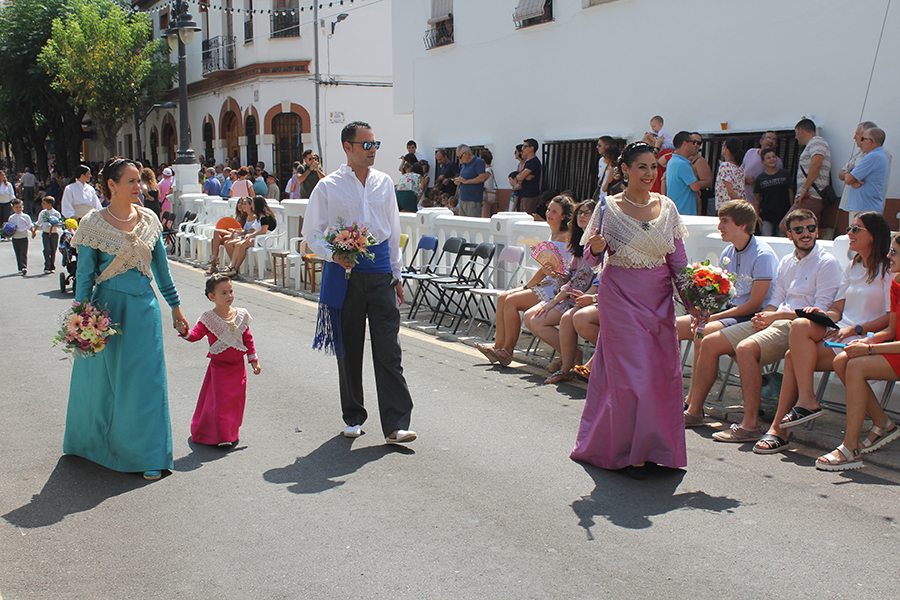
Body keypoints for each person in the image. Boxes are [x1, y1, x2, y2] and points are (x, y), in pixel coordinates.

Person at [571, 142, 694, 479]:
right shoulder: (608, 208)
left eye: (654, 167)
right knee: (632, 374)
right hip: (620, 297)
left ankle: (658, 449)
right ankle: (631, 452)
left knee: (659, 373)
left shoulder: (667, 206)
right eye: (642, 167)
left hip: (658, 299)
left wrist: (696, 302)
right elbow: (591, 258)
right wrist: (596, 248)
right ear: (625, 170)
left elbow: (679, 261)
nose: (650, 173)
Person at [64, 157, 188, 481]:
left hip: (144, 312)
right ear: (112, 185)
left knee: (146, 382)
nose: (140, 187)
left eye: (139, 180)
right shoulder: (92, 223)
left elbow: (162, 270)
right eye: (131, 181)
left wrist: (175, 307)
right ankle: (92, 443)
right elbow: (84, 276)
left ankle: (150, 455)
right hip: (106, 312)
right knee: (105, 383)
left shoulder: (150, 220)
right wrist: (80, 318)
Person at [302, 120, 416, 444]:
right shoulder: (328, 186)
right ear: (347, 147)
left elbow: (392, 232)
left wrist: (397, 274)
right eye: (366, 145)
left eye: (375, 144)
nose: (372, 150)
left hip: (380, 275)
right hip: (345, 277)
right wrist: (333, 254)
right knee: (349, 350)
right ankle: (353, 416)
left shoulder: (384, 182)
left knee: (389, 350)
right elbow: (312, 233)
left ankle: (396, 424)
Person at [761, 212, 891, 449]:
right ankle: (805, 402)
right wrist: (821, 316)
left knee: (791, 358)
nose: (849, 234)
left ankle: (780, 429)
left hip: (866, 336)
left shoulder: (887, 270)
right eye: (849, 229)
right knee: (801, 324)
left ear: (873, 235)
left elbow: (890, 319)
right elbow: (837, 310)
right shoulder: (853, 266)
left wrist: (855, 328)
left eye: (856, 229)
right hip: (843, 332)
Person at [679, 200, 778, 422]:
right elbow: (723, 293)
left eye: (724, 221)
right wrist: (705, 310)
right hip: (730, 312)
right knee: (671, 327)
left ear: (742, 225)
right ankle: (668, 392)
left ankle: (692, 404)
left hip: (750, 317)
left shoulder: (763, 254)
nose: (719, 227)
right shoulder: (728, 250)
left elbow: (754, 305)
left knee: (701, 333)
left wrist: (712, 317)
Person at [818, 233, 900, 470]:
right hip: (893, 348)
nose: (888, 255)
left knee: (854, 365)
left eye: (894, 252)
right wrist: (865, 342)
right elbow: (892, 329)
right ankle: (882, 422)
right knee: (843, 360)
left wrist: (870, 348)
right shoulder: (896, 281)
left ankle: (850, 448)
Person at [474, 196, 573, 367]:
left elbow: (549, 270)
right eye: (548, 209)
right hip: (547, 283)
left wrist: (527, 286)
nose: (549, 213)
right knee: (503, 297)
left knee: (511, 300)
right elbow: (544, 269)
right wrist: (526, 286)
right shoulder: (554, 234)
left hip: (555, 288)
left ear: (563, 216)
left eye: (554, 211)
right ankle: (499, 347)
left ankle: (507, 351)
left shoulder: (564, 238)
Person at [178, 274, 260, 447]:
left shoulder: (241, 315)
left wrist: (253, 360)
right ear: (212, 296)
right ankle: (223, 436)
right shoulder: (208, 318)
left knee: (235, 401)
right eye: (223, 293)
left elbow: (247, 338)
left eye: (231, 291)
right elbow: (195, 335)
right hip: (219, 368)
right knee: (221, 402)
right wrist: (185, 331)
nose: (229, 295)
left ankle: (231, 431)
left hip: (238, 368)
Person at [523, 200, 598, 384]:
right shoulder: (578, 241)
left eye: (587, 213)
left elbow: (585, 280)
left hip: (587, 296)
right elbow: (570, 277)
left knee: (546, 319)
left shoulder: (596, 243)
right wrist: (554, 273)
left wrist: (555, 300)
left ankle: (569, 363)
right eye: (580, 212)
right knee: (529, 316)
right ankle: (569, 360)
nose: (582, 216)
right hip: (572, 294)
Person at [220, 196, 276, 278]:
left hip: (264, 239)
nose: (252, 205)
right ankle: (232, 265)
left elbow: (263, 231)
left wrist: (251, 236)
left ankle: (236, 268)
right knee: (238, 244)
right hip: (257, 237)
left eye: (252, 203)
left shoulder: (265, 216)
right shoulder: (259, 216)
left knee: (243, 245)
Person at [790, 118, 831, 221]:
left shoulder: (816, 141)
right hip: (812, 195)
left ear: (801, 130)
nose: (796, 137)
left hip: (811, 195)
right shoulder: (814, 143)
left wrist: (804, 189)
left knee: (786, 225)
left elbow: (817, 164)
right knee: (808, 225)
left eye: (796, 133)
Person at [844, 127, 890, 218]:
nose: (861, 142)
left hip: (863, 209)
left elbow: (849, 180)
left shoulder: (872, 156)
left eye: (863, 139)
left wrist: (847, 173)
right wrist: (853, 179)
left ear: (869, 141)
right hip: (869, 207)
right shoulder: (880, 155)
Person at [838, 121, 878, 214]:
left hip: (865, 205)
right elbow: (840, 173)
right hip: (853, 205)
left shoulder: (875, 156)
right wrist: (848, 175)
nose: (854, 137)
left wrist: (851, 178)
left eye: (857, 134)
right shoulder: (859, 153)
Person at [206, 197, 251, 274]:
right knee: (217, 239)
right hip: (234, 233)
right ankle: (215, 264)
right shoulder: (238, 215)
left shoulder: (247, 215)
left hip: (238, 234)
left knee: (217, 233)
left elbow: (245, 230)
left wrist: (234, 230)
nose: (240, 205)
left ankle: (214, 261)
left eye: (243, 203)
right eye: (239, 203)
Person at [754, 148, 793, 236]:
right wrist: (757, 215)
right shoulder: (760, 178)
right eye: (768, 158)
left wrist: (791, 210)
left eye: (773, 157)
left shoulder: (785, 174)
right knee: (766, 239)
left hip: (783, 214)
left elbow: (790, 192)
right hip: (767, 215)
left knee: (782, 239)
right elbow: (757, 198)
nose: (772, 159)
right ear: (763, 162)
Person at [666, 131, 702, 216]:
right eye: (693, 142)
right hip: (685, 213)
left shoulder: (672, 161)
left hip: (676, 212)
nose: (695, 145)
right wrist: (694, 170)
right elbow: (696, 187)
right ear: (685, 143)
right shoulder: (683, 164)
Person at [742, 131, 783, 205]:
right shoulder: (750, 152)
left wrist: (758, 181)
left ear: (776, 145)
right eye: (768, 138)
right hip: (744, 201)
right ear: (761, 141)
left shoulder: (777, 162)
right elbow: (740, 172)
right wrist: (744, 180)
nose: (771, 141)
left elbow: (776, 185)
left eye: (774, 139)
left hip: (762, 204)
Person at [453, 144, 488, 217]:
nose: (459, 159)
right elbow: (464, 178)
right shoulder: (464, 165)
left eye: (460, 157)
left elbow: (482, 177)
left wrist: (467, 181)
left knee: (472, 222)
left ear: (466, 153)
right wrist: (459, 181)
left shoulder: (478, 162)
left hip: (473, 200)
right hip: (462, 198)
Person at [714, 137, 746, 212]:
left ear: (726, 148)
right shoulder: (739, 168)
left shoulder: (725, 166)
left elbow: (730, 190)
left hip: (727, 206)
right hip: (738, 206)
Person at [34, 196, 64, 274]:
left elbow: (59, 223)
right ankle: (47, 265)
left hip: (53, 233)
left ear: (49, 204)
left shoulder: (56, 213)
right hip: (45, 233)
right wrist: (34, 231)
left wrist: (54, 224)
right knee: (47, 249)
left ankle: (52, 266)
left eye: (44, 203)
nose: (42, 204)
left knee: (53, 249)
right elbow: (38, 222)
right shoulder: (42, 213)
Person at [689, 133, 715, 215]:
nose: (696, 145)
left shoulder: (700, 161)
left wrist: (691, 185)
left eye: (699, 143)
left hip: (697, 200)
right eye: (694, 142)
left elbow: (708, 182)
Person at [7, 199, 33, 275]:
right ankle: (20, 268)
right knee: (17, 252)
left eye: (20, 207)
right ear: (13, 208)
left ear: (22, 207)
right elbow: (9, 227)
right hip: (15, 238)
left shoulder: (26, 217)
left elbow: (30, 225)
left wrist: (33, 232)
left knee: (23, 252)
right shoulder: (11, 218)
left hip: (24, 237)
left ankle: (24, 267)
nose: (18, 209)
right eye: (16, 207)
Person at [517, 138, 542, 215]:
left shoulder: (533, 161)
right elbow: (519, 178)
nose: (522, 149)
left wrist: (522, 177)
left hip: (531, 195)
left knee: (528, 217)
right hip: (525, 194)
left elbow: (520, 178)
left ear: (532, 148)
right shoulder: (528, 162)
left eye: (525, 146)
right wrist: (524, 177)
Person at [481, 150, 499, 218]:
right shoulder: (489, 169)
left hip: (486, 194)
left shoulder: (488, 170)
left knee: (484, 214)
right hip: (487, 194)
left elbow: (482, 179)